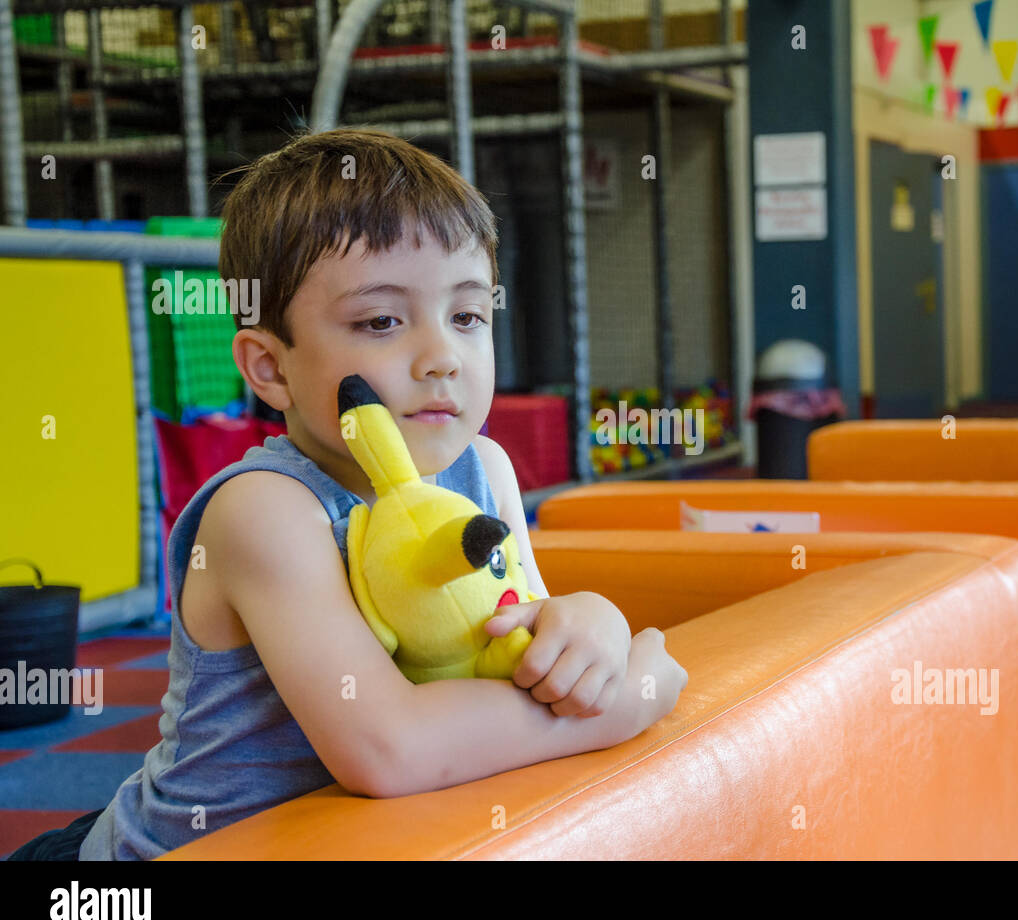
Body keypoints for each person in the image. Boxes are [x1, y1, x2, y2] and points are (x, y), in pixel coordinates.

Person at [10, 128, 686, 861]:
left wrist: (591, 627)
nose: (441, 359)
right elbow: (389, 747)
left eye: (465, 316)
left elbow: (517, 646)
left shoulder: (482, 470)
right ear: (269, 368)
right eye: (381, 321)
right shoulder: (266, 512)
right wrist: (630, 695)